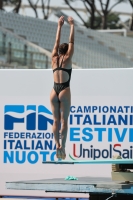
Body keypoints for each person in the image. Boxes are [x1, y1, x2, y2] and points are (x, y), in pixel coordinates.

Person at [50, 16, 74, 160]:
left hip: (53, 90)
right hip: (64, 90)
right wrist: (72, 25)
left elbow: (56, 42)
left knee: (55, 121)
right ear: (67, 51)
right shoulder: (68, 58)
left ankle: (56, 144)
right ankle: (63, 147)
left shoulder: (54, 57)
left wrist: (59, 26)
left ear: (59, 50)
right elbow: (72, 42)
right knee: (64, 121)